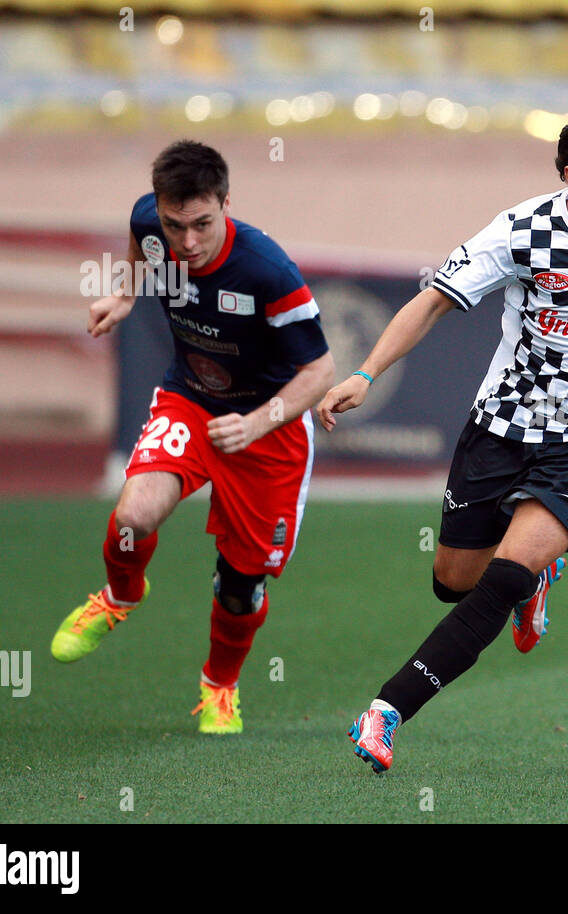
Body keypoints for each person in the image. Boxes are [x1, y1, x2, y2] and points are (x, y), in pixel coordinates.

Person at [317, 106, 568, 772]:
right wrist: (367, 371)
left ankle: (387, 710)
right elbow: (432, 299)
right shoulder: (522, 232)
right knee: (453, 581)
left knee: (504, 577)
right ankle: (535, 581)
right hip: (504, 425)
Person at [51, 140, 334, 734]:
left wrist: (257, 423)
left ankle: (219, 686)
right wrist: (125, 293)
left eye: (203, 224)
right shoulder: (148, 222)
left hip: (268, 431)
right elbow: (139, 242)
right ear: (159, 208)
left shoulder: (268, 271)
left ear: (226, 204)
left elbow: (320, 371)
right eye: (176, 226)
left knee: (240, 585)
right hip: (191, 402)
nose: (189, 242)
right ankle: (120, 597)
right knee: (133, 518)